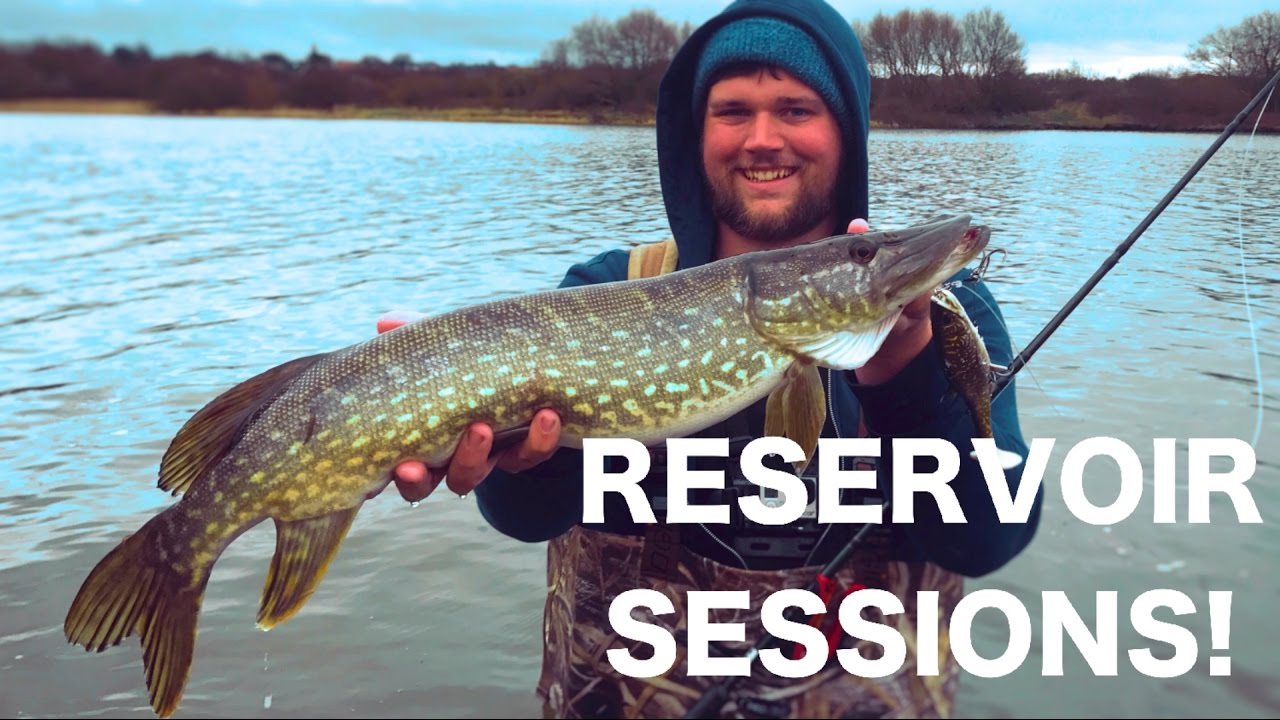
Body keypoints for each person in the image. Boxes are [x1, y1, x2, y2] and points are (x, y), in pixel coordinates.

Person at [378, 0, 1042, 717]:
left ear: (847, 133)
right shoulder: (606, 293)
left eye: (795, 109)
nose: (762, 139)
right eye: (733, 111)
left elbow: (985, 538)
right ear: (694, 135)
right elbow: (527, 515)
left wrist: (905, 381)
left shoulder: (955, 319)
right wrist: (519, 456)